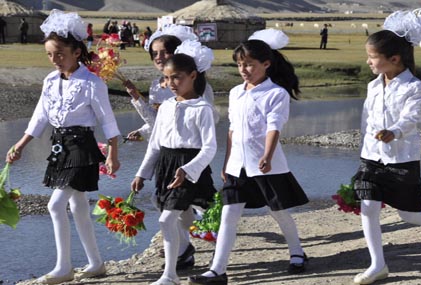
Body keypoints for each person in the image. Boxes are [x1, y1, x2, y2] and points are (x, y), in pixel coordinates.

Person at [5, 9, 120, 284]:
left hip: (82, 147)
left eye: (59, 54)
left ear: (76, 52)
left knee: (56, 205)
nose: (54, 60)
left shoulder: (92, 83)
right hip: (60, 146)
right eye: (49, 55)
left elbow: (108, 120)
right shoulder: (49, 81)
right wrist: (20, 145)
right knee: (78, 204)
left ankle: (63, 268)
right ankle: (95, 263)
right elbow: (40, 117)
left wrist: (114, 153)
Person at [188, 28, 309, 285]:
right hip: (237, 166)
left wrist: (267, 155)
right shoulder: (235, 92)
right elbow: (232, 129)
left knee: (278, 211)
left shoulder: (276, 93)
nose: (244, 69)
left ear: (266, 64)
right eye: (240, 64)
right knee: (229, 215)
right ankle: (217, 270)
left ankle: (297, 252)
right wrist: (226, 161)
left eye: (250, 65)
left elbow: (274, 127)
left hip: (266, 165)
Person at [124, 24, 216, 272]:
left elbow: (198, 129)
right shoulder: (159, 89)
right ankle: (184, 252)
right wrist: (137, 99)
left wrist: (189, 166)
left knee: (177, 212)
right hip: (166, 160)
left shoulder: (201, 97)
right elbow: (157, 130)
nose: (158, 58)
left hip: (189, 158)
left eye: (164, 52)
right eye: (154, 54)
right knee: (166, 206)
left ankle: (188, 261)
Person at [352, 11, 421, 285]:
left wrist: (393, 132)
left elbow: (411, 118)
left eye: (372, 57)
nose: (368, 62)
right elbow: (366, 121)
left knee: (408, 214)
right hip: (371, 159)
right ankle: (377, 265)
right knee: (369, 206)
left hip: (401, 159)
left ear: (394, 59)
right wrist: (364, 149)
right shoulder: (373, 86)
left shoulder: (414, 87)